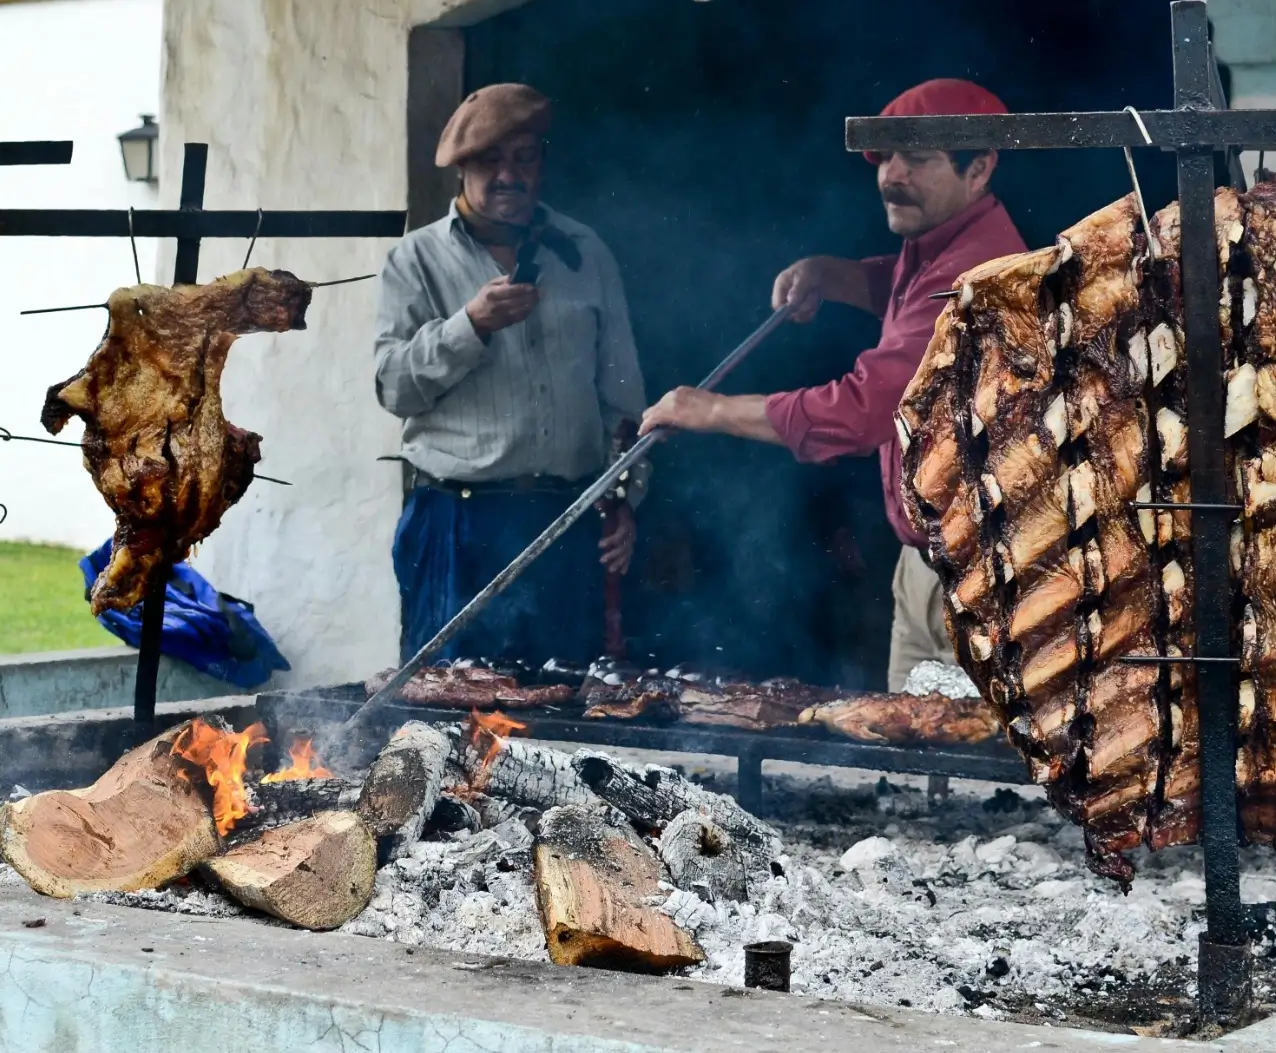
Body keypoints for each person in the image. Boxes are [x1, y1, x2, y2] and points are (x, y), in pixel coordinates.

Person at [638, 78, 1026, 688]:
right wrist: (834, 276)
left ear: (979, 169)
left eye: (917, 160)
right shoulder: (937, 250)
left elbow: (866, 410)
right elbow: (905, 294)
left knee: (968, 769)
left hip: (978, 580)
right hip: (928, 567)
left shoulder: (971, 275)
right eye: (884, 157)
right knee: (912, 768)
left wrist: (709, 411)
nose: (891, 175)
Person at [375, 82, 645, 665]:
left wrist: (624, 496)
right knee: (445, 718)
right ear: (462, 172)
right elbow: (392, 386)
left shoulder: (585, 251)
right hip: (456, 524)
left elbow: (623, 400)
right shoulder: (414, 261)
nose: (508, 174)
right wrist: (468, 325)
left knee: (562, 715)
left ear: (542, 164)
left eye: (524, 157)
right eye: (490, 160)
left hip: (564, 520)